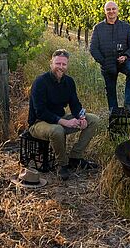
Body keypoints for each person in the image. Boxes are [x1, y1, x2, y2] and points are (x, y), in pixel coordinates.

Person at [28, 49, 100, 181]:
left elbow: (75, 104)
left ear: (67, 66)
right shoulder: (40, 82)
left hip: (59, 120)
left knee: (93, 120)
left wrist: (81, 117)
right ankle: (62, 164)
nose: (61, 67)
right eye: (58, 63)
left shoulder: (69, 82)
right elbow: (40, 111)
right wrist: (64, 122)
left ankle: (75, 157)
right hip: (39, 123)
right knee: (57, 130)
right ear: (51, 63)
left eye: (64, 64)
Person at [90, 1, 130, 113]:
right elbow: (93, 49)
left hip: (123, 61)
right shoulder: (98, 28)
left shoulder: (125, 27)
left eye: (113, 9)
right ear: (105, 11)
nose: (111, 11)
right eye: (108, 9)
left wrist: (126, 56)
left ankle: (128, 103)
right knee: (110, 88)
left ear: (117, 10)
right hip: (107, 62)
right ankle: (114, 112)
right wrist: (103, 61)